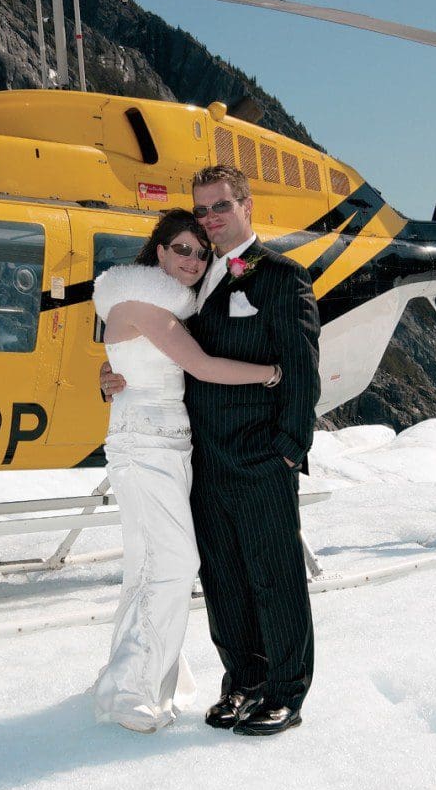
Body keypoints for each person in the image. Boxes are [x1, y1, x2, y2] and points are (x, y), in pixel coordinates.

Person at [102, 166, 321, 736]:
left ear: (247, 204)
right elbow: (156, 346)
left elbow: (301, 370)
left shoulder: (280, 277)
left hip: (261, 457)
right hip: (199, 459)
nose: (211, 219)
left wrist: (289, 450)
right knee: (224, 580)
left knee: (275, 578)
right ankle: (243, 682)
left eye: (221, 206)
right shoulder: (190, 282)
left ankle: (285, 692)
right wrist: (114, 369)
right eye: (202, 210)